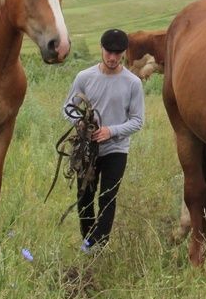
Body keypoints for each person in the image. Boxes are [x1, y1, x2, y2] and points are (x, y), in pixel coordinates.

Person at [62, 28, 145, 252]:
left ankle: (96, 245)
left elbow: (137, 121)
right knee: (84, 197)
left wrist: (111, 131)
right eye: (109, 52)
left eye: (118, 53)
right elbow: (67, 109)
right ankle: (88, 239)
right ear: (102, 49)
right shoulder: (84, 77)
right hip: (87, 148)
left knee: (107, 197)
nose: (112, 58)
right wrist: (80, 123)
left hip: (116, 148)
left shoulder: (133, 83)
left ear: (124, 53)